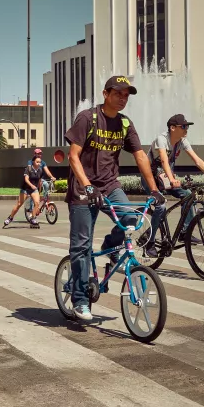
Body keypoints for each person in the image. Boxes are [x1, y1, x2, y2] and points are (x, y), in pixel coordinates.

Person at [65, 75, 165, 321]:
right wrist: (88, 187)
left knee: (131, 219)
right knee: (81, 246)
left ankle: (110, 246)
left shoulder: (124, 123)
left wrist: (154, 190)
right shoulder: (87, 118)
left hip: (110, 185)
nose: (122, 98)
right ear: (105, 94)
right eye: (118, 93)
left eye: (126, 95)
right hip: (83, 188)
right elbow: (73, 157)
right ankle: (80, 300)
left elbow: (141, 155)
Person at [142, 113, 204, 256]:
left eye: (187, 126)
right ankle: (150, 243)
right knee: (160, 206)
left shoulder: (182, 141)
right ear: (173, 128)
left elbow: (197, 160)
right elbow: (165, 161)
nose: (186, 129)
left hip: (165, 177)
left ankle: (185, 232)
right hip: (150, 178)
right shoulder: (162, 139)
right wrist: (172, 179)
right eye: (183, 126)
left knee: (187, 196)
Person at [4, 154, 44, 228]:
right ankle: (10, 218)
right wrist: (31, 185)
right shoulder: (28, 169)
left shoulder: (40, 170)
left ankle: (33, 218)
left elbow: (39, 181)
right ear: (33, 162)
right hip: (25, 189)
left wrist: (39, 190)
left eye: (40, 162)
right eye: (37, 162)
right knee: (19, 204)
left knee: (37, 203)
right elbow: (26, 179)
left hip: (34, 190)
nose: (39, 164)